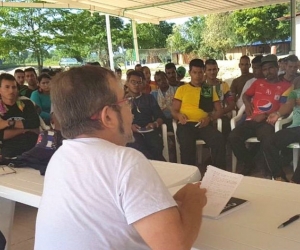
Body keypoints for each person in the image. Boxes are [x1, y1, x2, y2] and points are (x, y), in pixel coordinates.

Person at [35, 66, 207, 250]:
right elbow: (175, 246)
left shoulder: (59, 157)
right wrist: (193, 201)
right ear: (108, 116)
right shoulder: (125, 161)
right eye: (126, 101)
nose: (131, 109)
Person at [228, 54, 293, 176]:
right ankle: (249, 163)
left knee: (268, 139)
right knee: (233, 137)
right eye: (264, 69)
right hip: (250, 120)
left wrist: (267, 114)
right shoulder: (258, 83)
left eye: (270, 68)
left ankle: (270, 170)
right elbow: (245, 95)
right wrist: (247, 105)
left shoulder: (286, 86)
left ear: (277, 67)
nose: (267, 72)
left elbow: (286, 107)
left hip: (268, 122)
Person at [172, 59, 226, 169]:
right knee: (187, 144)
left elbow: (219, 110)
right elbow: (174, 110)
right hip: (186, 124)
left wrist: (209, 118)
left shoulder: (208, 89)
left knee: (219, 139)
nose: (197, 76)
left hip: (204, 124)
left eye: (200, 72)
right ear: (190, 72)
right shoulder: (182, 89)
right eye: (194, 72)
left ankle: (219, 173)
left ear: (204, 72)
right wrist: (178, 116)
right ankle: (190, 175)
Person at [264, 76, 300, 182]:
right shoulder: (296, 90)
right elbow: (289, 104)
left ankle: (296, 181)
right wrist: (278, 113)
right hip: (296, 128)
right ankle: (279, 177)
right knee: (269, 142)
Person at [125, 70, 166, 161]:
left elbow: (160, 116)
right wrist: (129, 127)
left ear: (143, 84)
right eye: (133, 82)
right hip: (131, 131)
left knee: (156, 145)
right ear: (127, 83)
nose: (136, 85)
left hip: (149, 128)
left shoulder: (149, 98)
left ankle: (155, 165)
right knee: (138, 147)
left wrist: (155, 124)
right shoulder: (122, 100)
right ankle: (153, 165)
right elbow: (118, 121)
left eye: (139, 82)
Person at [0, 73, 40, 158]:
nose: (11, 91)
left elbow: (35, 123)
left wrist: (8, 123)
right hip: (9, 150)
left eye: (14, 87)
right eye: (7, 87)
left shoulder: (26, 103)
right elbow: (2, 135)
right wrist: (26, 129)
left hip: (32, 146)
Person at [204, 59, 235, 138]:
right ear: (205, 71)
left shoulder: (223, 85)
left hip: (222, 115)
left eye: (214, 69)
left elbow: (231, 104)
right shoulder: (201, 86)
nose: (212, 72)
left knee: (225, 125)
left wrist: (220, 113)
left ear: (218, 70)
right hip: (204, 116)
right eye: (209, 70)